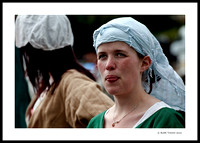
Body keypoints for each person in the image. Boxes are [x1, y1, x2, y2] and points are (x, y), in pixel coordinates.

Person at [15, 15, 114, 128]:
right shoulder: (50, 82)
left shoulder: (73, 82)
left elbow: (114, 122)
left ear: (35, 50)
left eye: (26, 49)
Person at [87, 17, 185, 128]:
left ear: (144, 63)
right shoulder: (94, 123)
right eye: (102, 56)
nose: (109, 65)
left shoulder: (164, 120)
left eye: (120, 54)